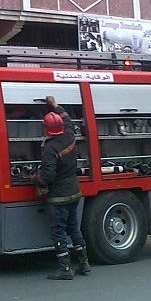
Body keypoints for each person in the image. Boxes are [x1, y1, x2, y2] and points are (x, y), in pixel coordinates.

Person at [30, 95, 90, 280]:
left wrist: (34, 178)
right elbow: (67, 119)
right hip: (74, 191)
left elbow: (47, 176)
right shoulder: (70, 134)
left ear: (47, 129)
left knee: (58, 232)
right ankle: (84, 263)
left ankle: (64, 269)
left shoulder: (50, 148)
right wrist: (55, 105)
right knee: (73, 228)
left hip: (59, 197)